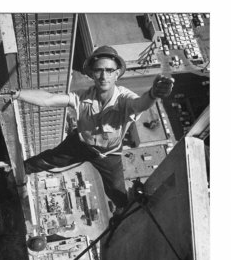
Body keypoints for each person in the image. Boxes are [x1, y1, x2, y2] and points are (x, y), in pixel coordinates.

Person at [10, 45, 174, 213]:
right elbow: (49, 99)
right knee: (45, 161)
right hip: (80, 144)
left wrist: (154, 94)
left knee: (117, 191)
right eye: (98, 71)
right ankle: (13, 177)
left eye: (109, 70)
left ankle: (122, 213)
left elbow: (140, 104)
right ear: (91, 74)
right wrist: (18, 94)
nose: (104, 76)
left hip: (109, 155)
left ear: (117, 74)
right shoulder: (82, 97)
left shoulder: (124, 98)